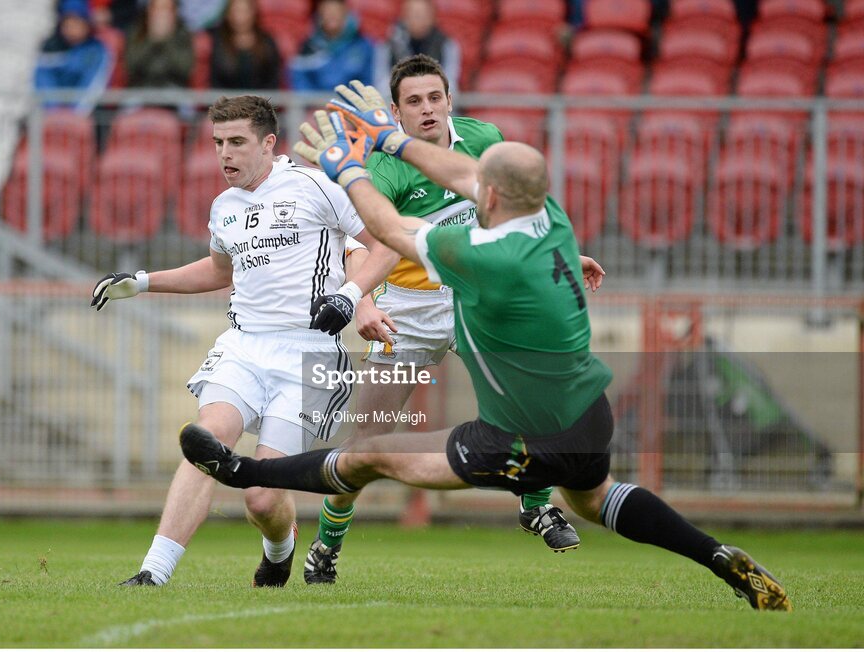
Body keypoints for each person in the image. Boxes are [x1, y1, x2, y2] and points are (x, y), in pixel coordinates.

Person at [179, 81, 793, 612]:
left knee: (371, 454)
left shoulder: (477, 254)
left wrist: (348, 166)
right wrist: (388, 139)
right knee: (597, 497)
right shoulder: (552, 220)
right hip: (586, 413)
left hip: (515, 441)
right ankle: (715, 554)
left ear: (490, 197)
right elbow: (461, 174)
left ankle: (243, 471)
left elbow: (388, 231)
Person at [300, 55, 585, 586]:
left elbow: (514, 211)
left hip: (475, 294)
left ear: (450, 100)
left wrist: (559, 256)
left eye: (435, 97)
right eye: (414, 101)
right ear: (395, 112)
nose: (427, 108)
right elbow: (378, 242)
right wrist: (360, 299)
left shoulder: (484, 139)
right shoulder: (385, 168)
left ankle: (536, 506)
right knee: (367, 441)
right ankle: (326, 546)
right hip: (406, 310)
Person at [91, 94, 390, 588]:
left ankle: (280, 549)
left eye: (237, 142)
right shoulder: (224, 207)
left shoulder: (317, 186)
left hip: (308, 353)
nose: (224, 154)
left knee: (262, 497)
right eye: (217, 143)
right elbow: (218, 271)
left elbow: (383, 244)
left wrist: (353, 296)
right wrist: (143, 282)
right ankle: (152, 573)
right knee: (205, 441)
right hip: (243, 346)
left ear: (269, 143)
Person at [34, 0, 112, 114]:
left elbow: (93, 85)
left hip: (87, 114)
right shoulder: (49, 48)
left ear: (86, 24)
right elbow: (42, 81)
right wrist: (54, 113)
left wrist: (75, 115)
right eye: (67, 24)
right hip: (52, 115)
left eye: (77, 23)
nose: (72, 29)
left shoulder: (97, 50)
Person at [374, 0, 460, 97]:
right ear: (404, 17)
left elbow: (451, 84)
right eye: (414, 14)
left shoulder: (446, 45)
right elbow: (382, 82)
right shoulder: (388, 45)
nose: (418, 19)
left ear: (433, 17)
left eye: (423, 14)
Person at [289, 0, 374, 92]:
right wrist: (313, 99)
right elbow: (300, 80)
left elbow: (367, 81)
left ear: (345, 13)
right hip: (315, 100)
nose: (332, 15)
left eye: (336, 11)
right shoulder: (307, 46)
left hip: (351, 100)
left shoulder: (363, 45)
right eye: (327, 11)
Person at [209, 0, 282, 90]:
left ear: (253, 12)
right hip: (227, 98)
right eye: (235, 11)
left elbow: (273, 81)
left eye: (244, 11)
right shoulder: (218, 41)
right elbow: (216, 82)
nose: (239, 17)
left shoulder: (267, 42)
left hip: (261, 98)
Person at [125, 0, 194, 89]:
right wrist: (152, 38)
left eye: (166, 9)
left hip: (174, 87)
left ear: (174, 12)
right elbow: (131, 67)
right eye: (157, 9)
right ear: (149, 11)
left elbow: (185, 70)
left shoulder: (183, 33)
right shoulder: (137, 31)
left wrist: (167, 38)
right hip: (141, 87)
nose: (161, 14)